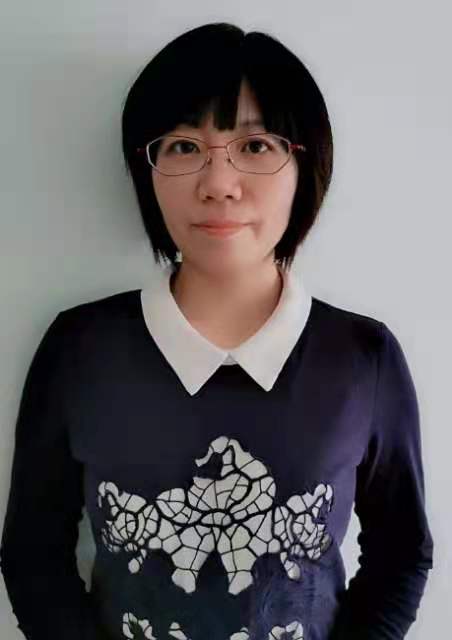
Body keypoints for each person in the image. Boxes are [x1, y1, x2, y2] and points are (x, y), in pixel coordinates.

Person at [0, 21, 433, 640]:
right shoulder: (81, 351)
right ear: (146, 169)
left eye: (255, 146)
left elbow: (401, 553)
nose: (219, 185)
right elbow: (33, 554)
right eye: (183, 146)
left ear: (304, 164)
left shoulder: (364, 359)